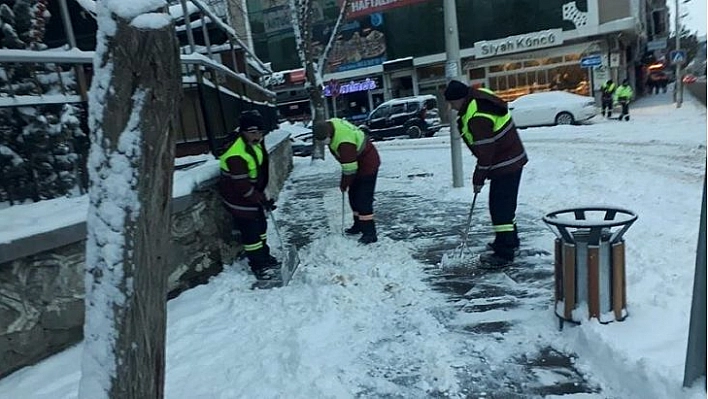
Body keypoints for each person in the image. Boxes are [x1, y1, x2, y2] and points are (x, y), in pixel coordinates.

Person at [443, 80, 528, 267]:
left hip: (505, 163)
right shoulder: (477, 97)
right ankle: (509, 241)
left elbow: (486, 151)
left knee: (500, 210)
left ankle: (504, 254)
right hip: (509, 159)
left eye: (452, 103)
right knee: (505, 206)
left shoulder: (476, 116)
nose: (452, 107)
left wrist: (478, 178)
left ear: (460, 99)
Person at [219, 110, 280, 280]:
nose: (258, 136)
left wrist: (263, 197)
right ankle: (258, 264)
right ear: (243, 131)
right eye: (253, 132)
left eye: (260, 132)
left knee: (261, 228)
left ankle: (264, 256)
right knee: (251, 232)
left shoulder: (254, 143)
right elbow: (242, 186)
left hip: (252, 195)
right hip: (239, 200)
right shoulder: (236, 154)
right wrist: (260, 200)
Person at [313, 118, 381, 244]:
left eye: (324, 140)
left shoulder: (344, 143)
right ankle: (358, 225)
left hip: (367, 164)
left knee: (363, 199)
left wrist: (344, 184)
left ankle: (370, 233)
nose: (325, 143)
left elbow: (350, 168)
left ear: (328, 134)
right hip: (357, 162)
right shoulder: (332, 123)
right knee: (353, 196)